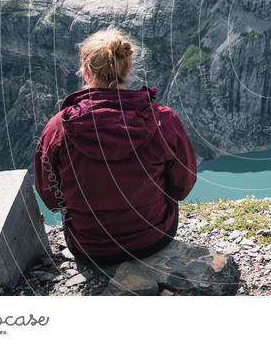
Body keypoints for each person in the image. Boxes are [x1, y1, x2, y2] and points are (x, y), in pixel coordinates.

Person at [33, 27, 197, 266]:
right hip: (154, 238)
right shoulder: (163, 120)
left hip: (89, 248)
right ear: (128, 69)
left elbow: (51, 197)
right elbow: (182, 185)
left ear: (86, 72)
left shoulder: (59, 128)